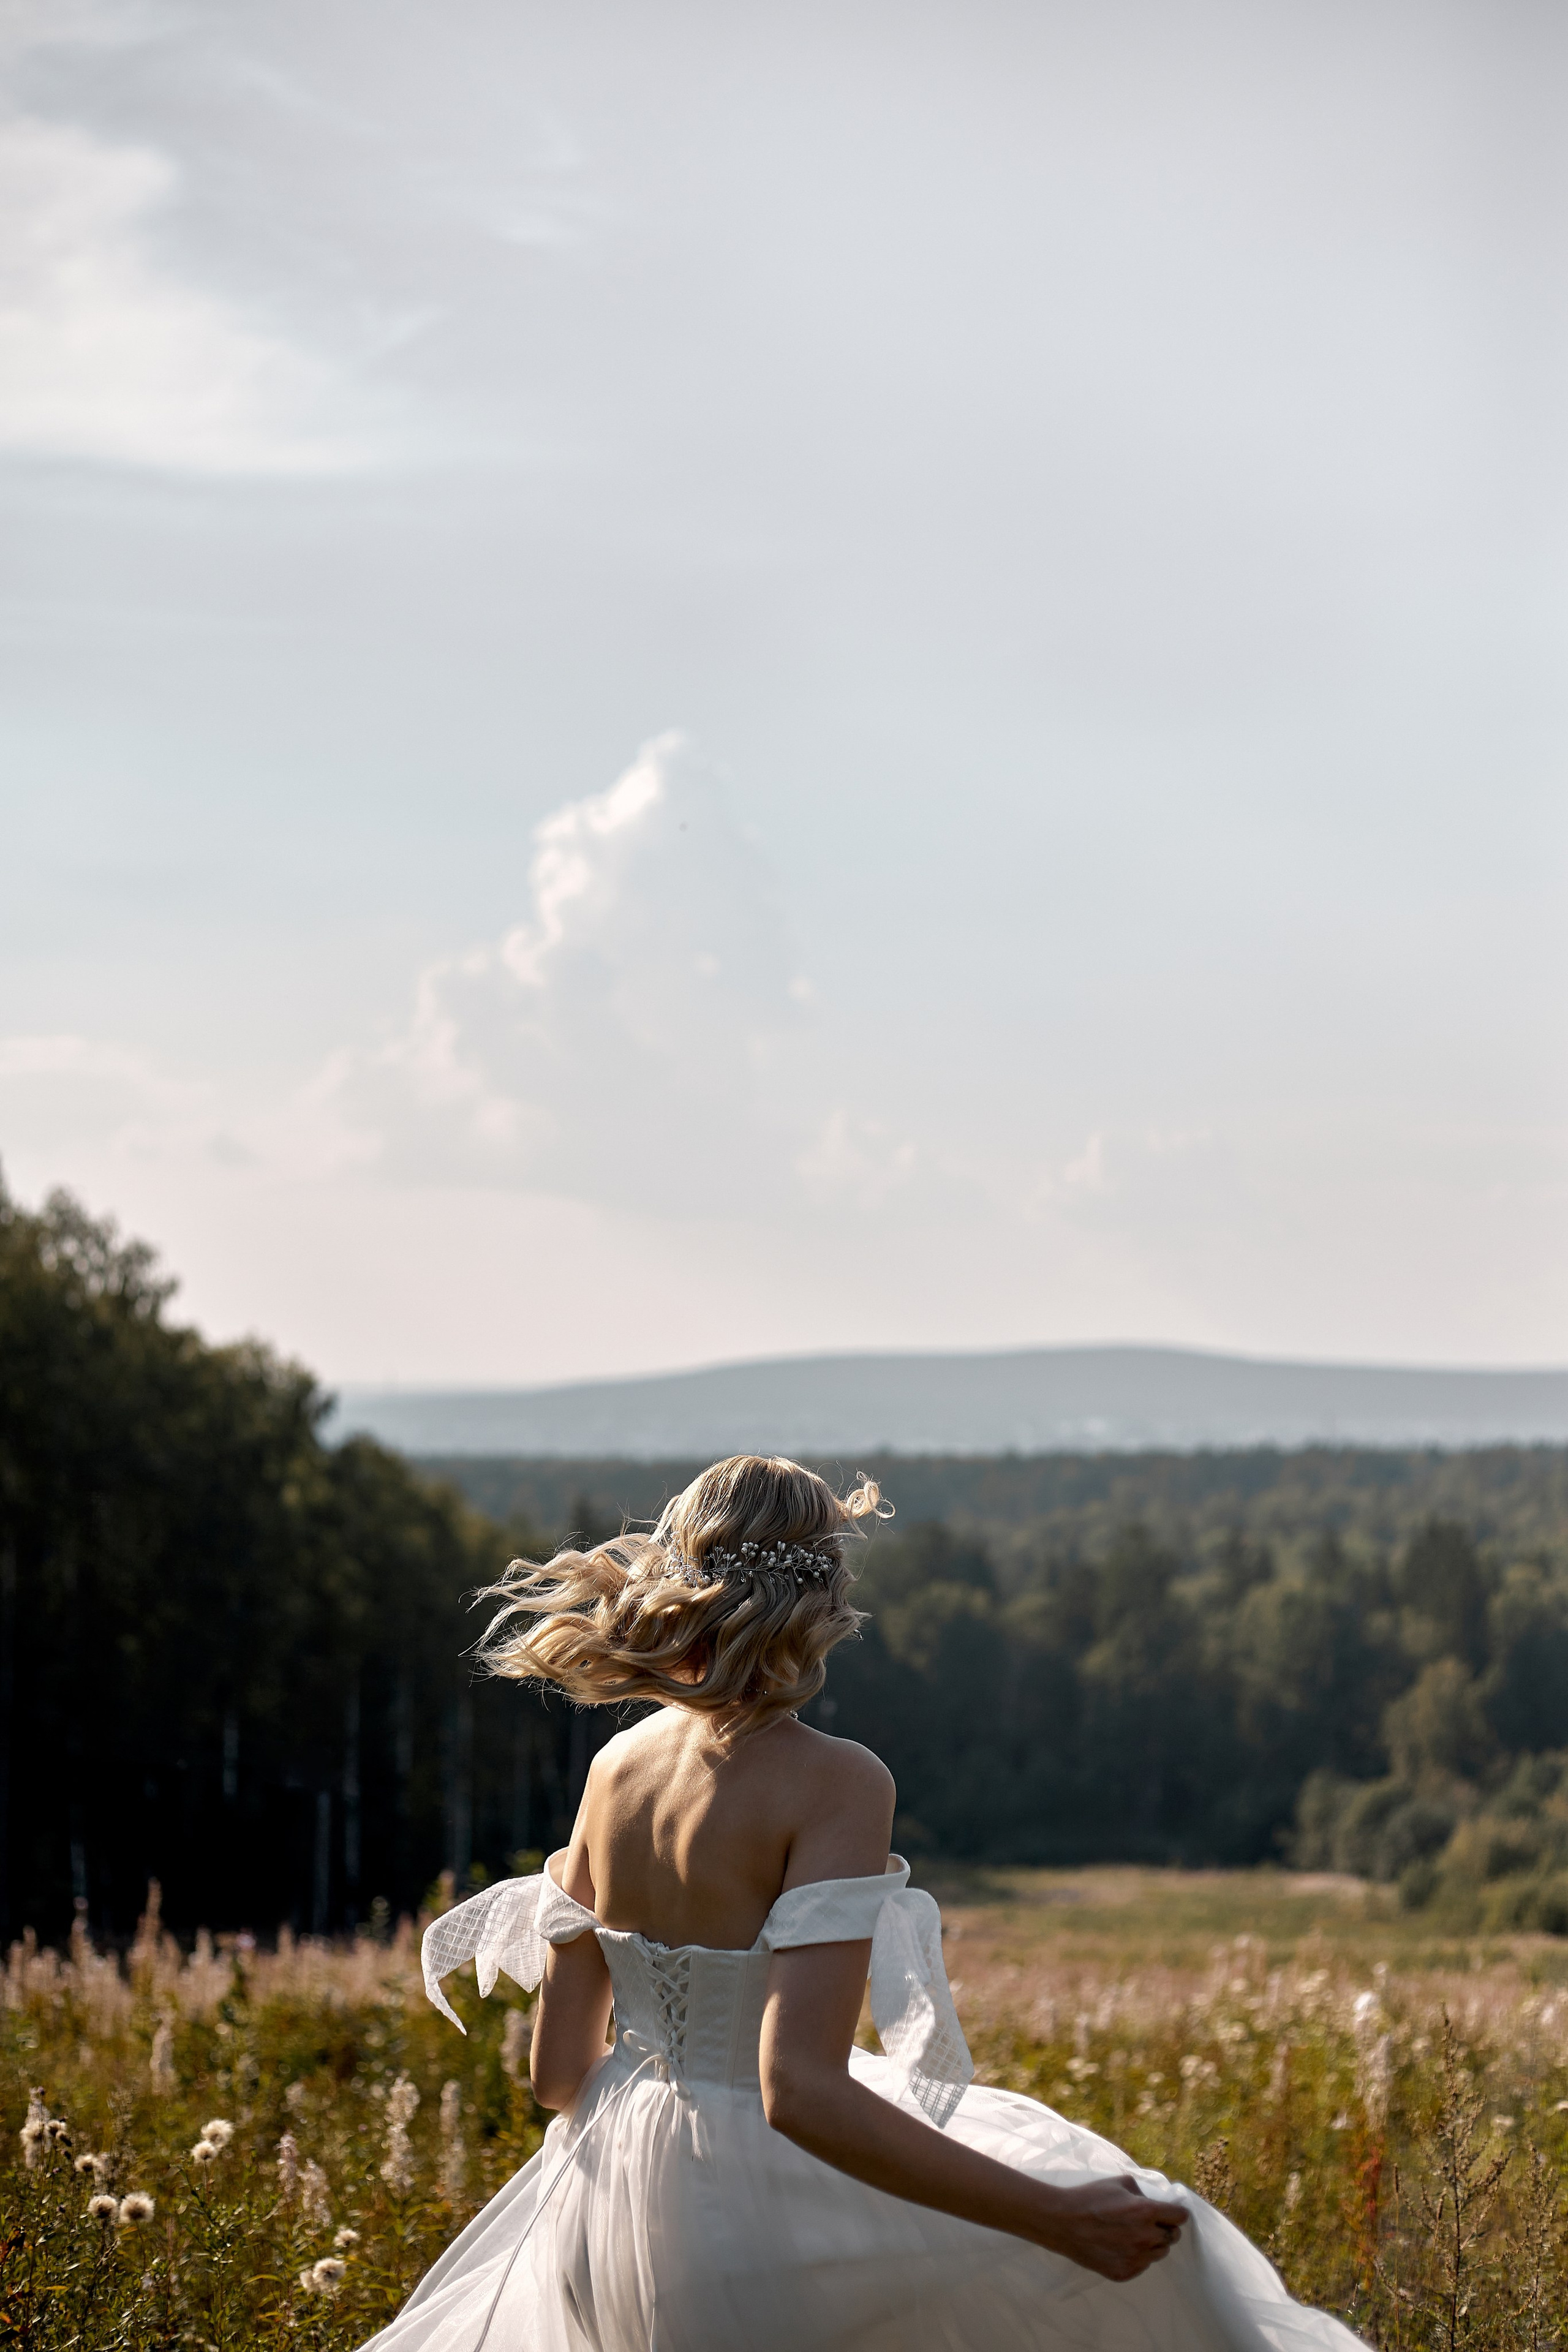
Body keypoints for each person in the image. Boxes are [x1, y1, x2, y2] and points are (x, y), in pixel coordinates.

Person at [366, 1455, 1362, 2352]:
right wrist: (1056, 2220)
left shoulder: (615, 1768)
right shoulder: (839, 1781)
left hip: (598, 2207)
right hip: (744, 2227)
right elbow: (795, 2089)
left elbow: (555, 2077)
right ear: (819, 1599)